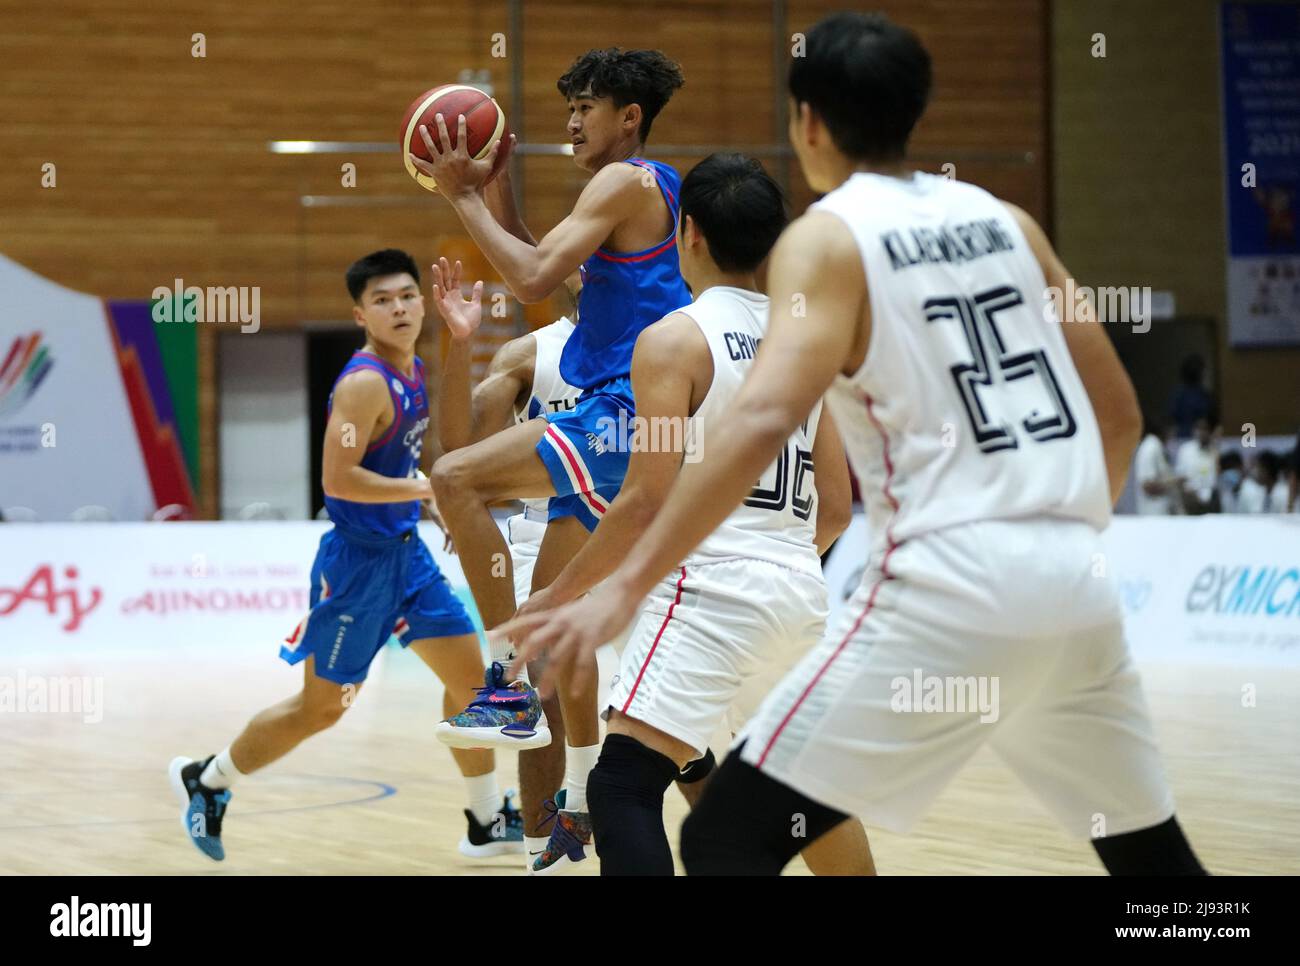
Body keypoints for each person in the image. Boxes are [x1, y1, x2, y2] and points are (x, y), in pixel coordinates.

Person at [501, 11, 1206, 876]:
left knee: (720, 833)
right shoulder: (1009, 222)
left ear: (809, 123)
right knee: (1153, 861)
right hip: (1076, 580)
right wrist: (1058, 538)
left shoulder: (827, 240)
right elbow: (1121, 414)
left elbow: (759, 423)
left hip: (949, 584)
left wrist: (624, 587)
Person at [510, 152, 874, 875]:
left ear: (690, 233)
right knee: (805, 795)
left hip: (709, 590)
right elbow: (834, 506)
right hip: (799, 590)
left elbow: (644, 499)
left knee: (621, 786)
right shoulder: (805, 343)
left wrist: (556, 594)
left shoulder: (674, 340)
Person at [408, 50, 690, 845]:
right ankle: (568, 815)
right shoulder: (642, 191)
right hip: (639, 415)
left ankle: (501, 684)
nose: (572, 120)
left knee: (455, 478)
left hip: (626, 407)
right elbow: (554, 270)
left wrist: (462, 197)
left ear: (629, 118)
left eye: (589, 106)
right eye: (568, 106)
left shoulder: (624, 180)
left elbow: (530, 280)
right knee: (558, 640)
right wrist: (496, 188)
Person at [168, 250, 520, 863]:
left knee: (471, 684)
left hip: (406, 557)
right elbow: (337, 480)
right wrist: (426, 489)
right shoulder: (363, 384)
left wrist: (423, 503)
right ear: (361, 314)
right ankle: (209, 778)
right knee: (322, 708)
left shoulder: (411, 369)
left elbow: (397, 462)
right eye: (383, 300)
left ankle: (485, 819)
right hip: (356, 568)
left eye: (408, 295)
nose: (400, 307)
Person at [1133, 415, 1180, 515]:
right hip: (1154, 515)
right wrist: (1174, 482)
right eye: (1172, 431)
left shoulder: (1157, 446)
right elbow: (1147, 486)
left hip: (1163, 514)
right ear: (1165, 429)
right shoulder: (1150, 447)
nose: (1172, 435)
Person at [1174, 416, 1220, 514]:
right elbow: (1179, 478)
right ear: (1194, 431)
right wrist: (1188, 495)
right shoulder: (1185, 450)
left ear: (1210, 432)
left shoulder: (1215, 451)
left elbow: (1217, 478)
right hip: (1190, 500)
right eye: (1199, 429)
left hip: (1210, 502)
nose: (1202, 433)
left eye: (1205, 429)